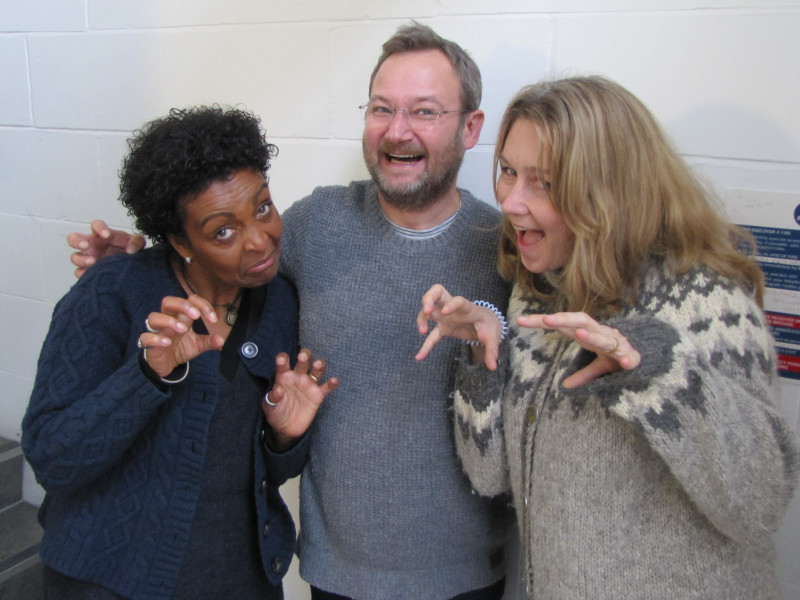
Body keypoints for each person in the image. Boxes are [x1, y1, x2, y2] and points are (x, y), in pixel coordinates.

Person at [67, 23, 513, 600]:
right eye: (382, 108)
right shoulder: (315, 223)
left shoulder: (503, 248)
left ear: (470, 126)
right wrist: (141, 268)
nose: (396, 130)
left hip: (469, 575)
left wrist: (489, 329)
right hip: (335, 574)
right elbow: (226, 269)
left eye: (424, 112)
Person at [416, 76, 800, 599]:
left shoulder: (706, 301)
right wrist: (485, 354)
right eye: (508, 171)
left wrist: (656, 371)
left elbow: (762, 501)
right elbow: (490, 475)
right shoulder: (539, 289)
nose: (510, 201)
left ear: (609, 191)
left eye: (544, 182)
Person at [23, 105, 338, 600]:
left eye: (262, 207)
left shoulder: (280, 303)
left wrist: (285, 438)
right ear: (178, 240)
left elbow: (263, 472)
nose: (260, 240)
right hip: (108, 580)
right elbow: (52, 460)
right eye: (223, 231)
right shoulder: (114, 291)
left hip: (240, 580)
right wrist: (147, 376)